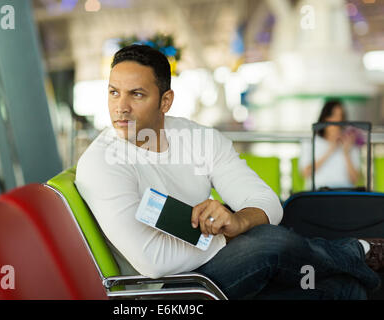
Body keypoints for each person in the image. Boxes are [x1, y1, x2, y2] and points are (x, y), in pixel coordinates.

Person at [75, 45, 383, 299]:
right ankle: (354, 251)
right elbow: (154, 261)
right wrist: (233, 237)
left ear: (165, 101)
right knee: (269, 241)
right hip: (165, 292)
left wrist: (239, 220)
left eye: (136, 94)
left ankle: (355, 269)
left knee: (340, 290)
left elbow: (266, 201)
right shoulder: (102, 164)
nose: (121, 107)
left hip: (215, 272)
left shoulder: (197, 138)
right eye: (114, 92)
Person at [300, 100, 361, 190]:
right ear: (325, 118)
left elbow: (354, 179)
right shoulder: (310, 142)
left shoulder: (350, 143)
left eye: (341, 116)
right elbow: (306, 173)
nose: (337, 120)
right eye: (333, 115)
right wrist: (330, 151)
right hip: (318, 191)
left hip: (345, 192)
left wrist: (346, 153)